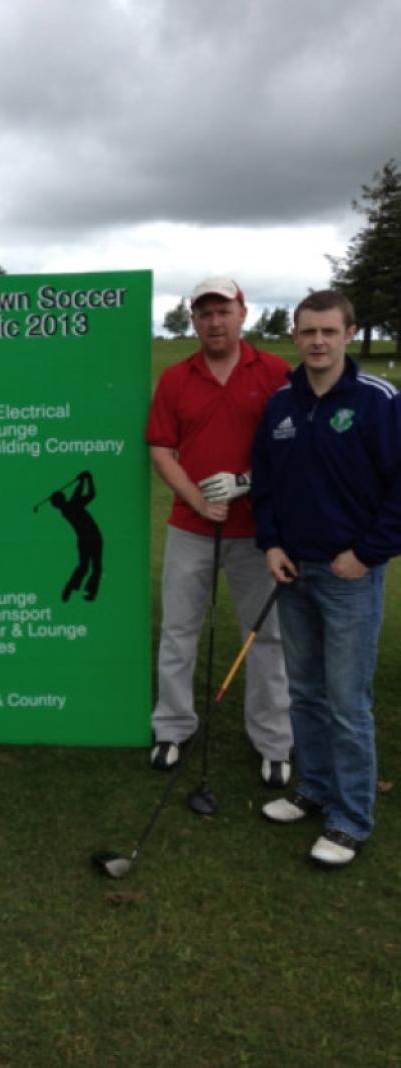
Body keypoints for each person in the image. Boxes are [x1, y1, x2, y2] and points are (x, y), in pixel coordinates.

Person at [252, 290, 401, 866]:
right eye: (308, 332)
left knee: (346, 702)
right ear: (294, 336)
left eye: (329, 332)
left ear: (349, 334)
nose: (318, 341)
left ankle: (350, 818)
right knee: (306, 692)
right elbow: (265, 483)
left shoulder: (378, 401)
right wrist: (271, 543)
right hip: (293, 572)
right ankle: (313, 789)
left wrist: (365, 554)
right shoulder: (281, 405)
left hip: (349, 576)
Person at [146, 277, 293, 785]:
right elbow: (161, 449)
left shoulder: (274, 373)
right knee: (179, 631)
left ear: (242, 314)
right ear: (194, 320)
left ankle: (274, 740)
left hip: (260, 533)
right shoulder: (176, 378)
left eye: (223, 311)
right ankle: (172, 727)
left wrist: (246, 483)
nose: (214, 322)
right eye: (204, 313)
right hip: (191, 528)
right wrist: (197, 498)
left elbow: (293, 449)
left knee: (266, 636)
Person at [50, 470, 103, 601]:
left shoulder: (66, 509)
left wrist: (82, 481)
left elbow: (77, 495)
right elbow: (91, 494)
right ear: (62, 498)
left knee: (84, 566)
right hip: (93, 537)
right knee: (96, 566)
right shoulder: (72, 505)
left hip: (84, 539)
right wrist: (88, 479)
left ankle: (70, 588)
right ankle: (91, 592)